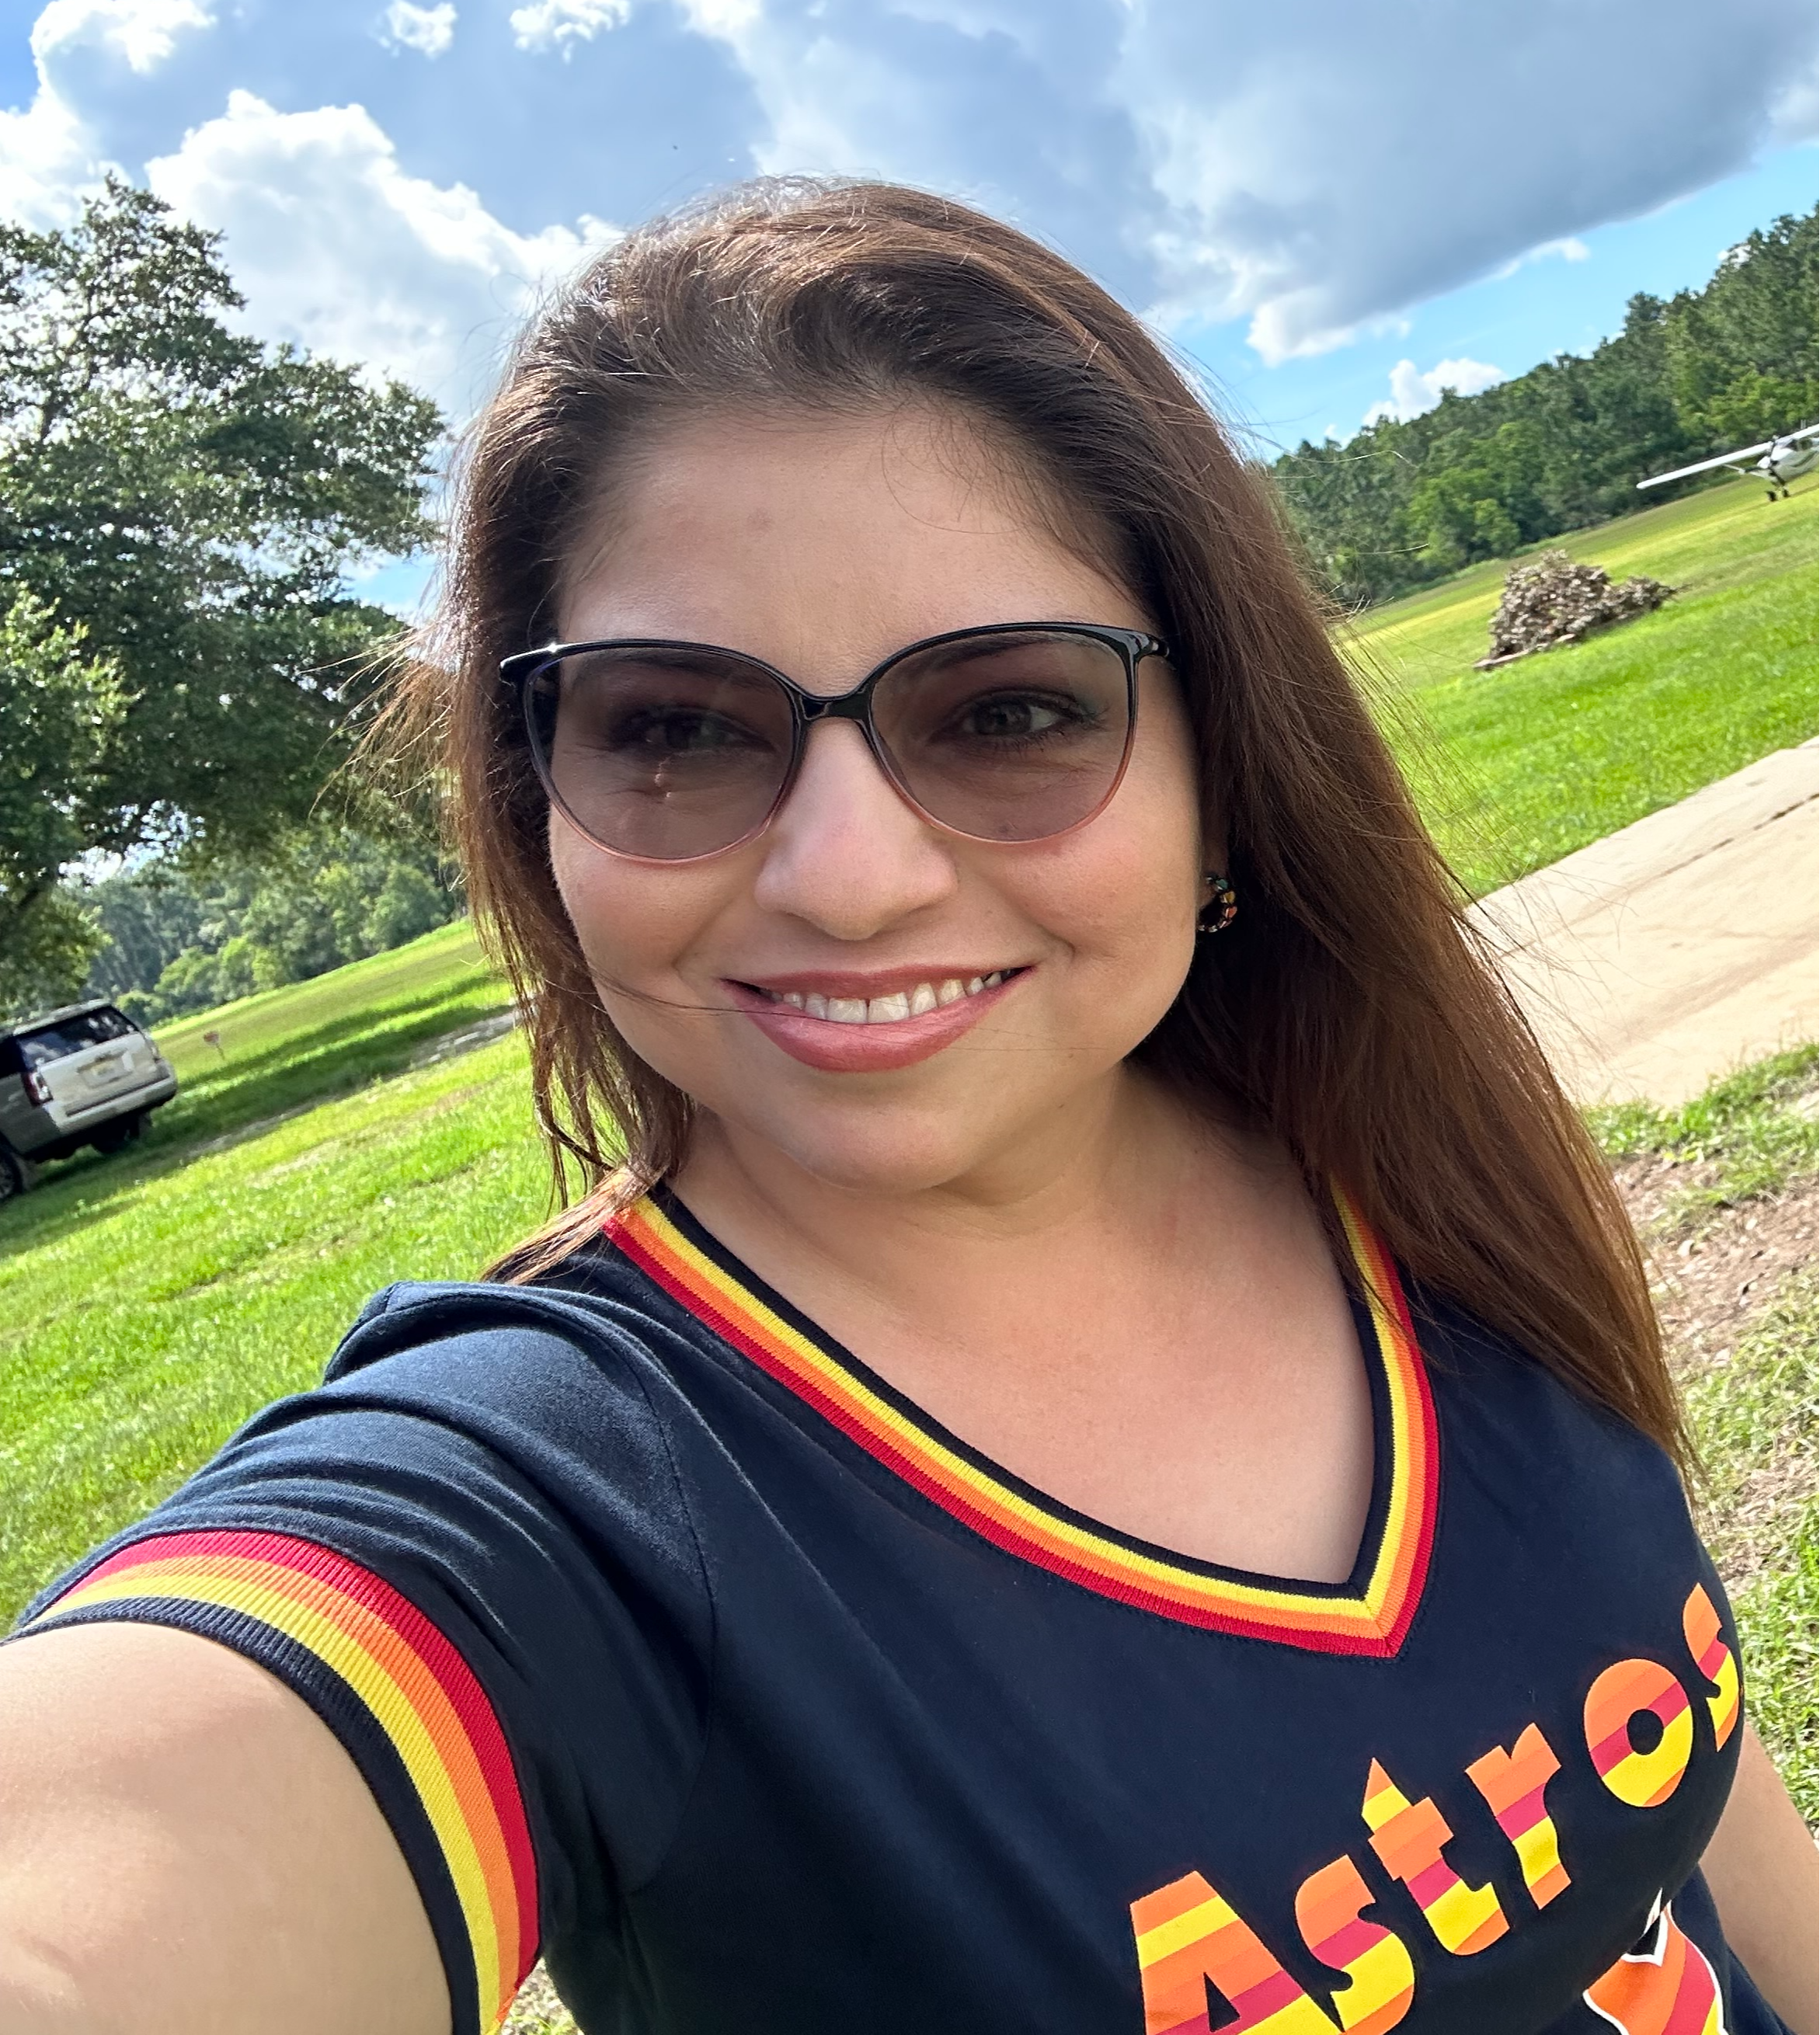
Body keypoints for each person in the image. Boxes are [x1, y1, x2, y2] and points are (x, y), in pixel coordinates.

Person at [1, 180, 1814, 2035]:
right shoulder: (570, 1506)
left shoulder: (1394, 1156)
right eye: (678, 726)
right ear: (541, 793)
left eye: (1010, 710)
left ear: (1220, 756)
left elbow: (1722, 1837)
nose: (849, 875)